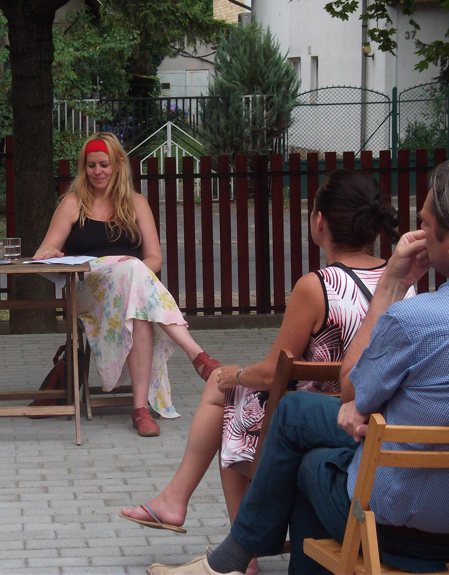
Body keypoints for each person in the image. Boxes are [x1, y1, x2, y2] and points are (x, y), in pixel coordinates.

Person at [146, 162, 449, 575]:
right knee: (309, 449)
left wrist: (391, 289)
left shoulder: (408, 317)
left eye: (426, 224)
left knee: (278, 421)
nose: (420, 232)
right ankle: (226, 546)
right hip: (422, 487)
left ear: (320, 221)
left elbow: (349, 387)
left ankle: (236, 553)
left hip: (396, 521)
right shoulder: (416, 306)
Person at [34, 132, 222, 437]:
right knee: (133, 269)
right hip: (88, 289)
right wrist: (50, 251)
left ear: (119, 164)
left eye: (104, 165)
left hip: (130, 291)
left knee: (137, 300)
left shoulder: (136, 203)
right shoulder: (72, 203)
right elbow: (47, 249)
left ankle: (140, 410)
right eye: (91, 165)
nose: (97, 171)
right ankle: (197, 355)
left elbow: (155, 258)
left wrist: (131, 271)